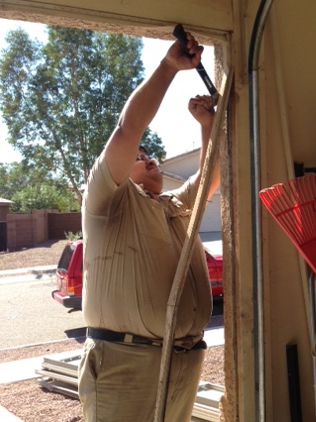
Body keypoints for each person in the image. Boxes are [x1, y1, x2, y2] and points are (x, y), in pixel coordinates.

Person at [78, 31, 219, 422]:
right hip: (126, 366)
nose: (147, 156)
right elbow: (128, 129)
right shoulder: (107, 203)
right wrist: (169, 67)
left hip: (183, 363)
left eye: (150, 152)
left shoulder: (172, 206)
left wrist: (209, 124)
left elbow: (211, 176)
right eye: (139, 156)